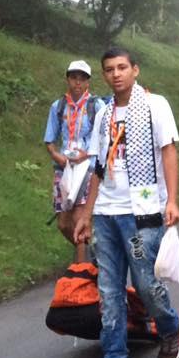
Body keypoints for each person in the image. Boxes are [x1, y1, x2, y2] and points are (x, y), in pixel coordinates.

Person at [73, 47, 179, 358]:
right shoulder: (103, 113)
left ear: (135, 70)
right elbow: (98, 166)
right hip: (106, 214)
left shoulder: (155, 106)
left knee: (145, 281)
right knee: (109, 291)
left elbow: (168, 151)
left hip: (141, 214)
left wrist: (171, 200)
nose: (116, 74)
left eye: (122, 67)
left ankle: (170, 326)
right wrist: (86, 213)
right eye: (109, 69)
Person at [43, 60, 106, 263]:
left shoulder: (97, 106)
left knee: (79, 219)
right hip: (64, 169)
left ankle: (81, 272)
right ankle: (93, 256)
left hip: (87, 169)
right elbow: (49, 140)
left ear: (88, 82)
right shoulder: (58, 106)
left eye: (82, 79)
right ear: (67, 79)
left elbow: (106, 140)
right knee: (63, 223)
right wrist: (56, 155)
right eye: (74, 78)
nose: (77, 82)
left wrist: (86, 155)